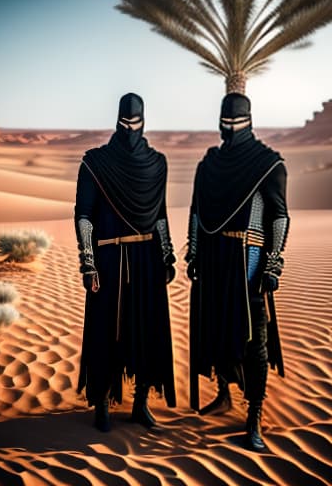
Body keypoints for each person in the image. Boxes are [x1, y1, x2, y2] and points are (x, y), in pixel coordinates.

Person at [186, 93, 289, 452]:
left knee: (252, 340)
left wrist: (273, 263)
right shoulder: (209, 164)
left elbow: (279, 216)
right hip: (213, 260)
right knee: (216, 330)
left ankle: (254, 416)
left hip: (248, 260)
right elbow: (197, 212)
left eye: (235, 121)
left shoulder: (267, 164)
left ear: (248, 120)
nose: (229, 127)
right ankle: (224, 394)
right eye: (224, 121)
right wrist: (195, 253)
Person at [74, 92, 176, 432]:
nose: (131, 128)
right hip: (108, 258)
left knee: (146, 331)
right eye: (125, 122)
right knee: (106, 332)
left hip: (147, 258)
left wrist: (167, 253)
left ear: (144, 120)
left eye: (136, 122)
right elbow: (84, 216)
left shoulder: (157, 162)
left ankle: (141, 403)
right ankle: (102, 402)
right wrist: (88, 261)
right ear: (117, 121)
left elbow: (160, 213)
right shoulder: (95, 162)